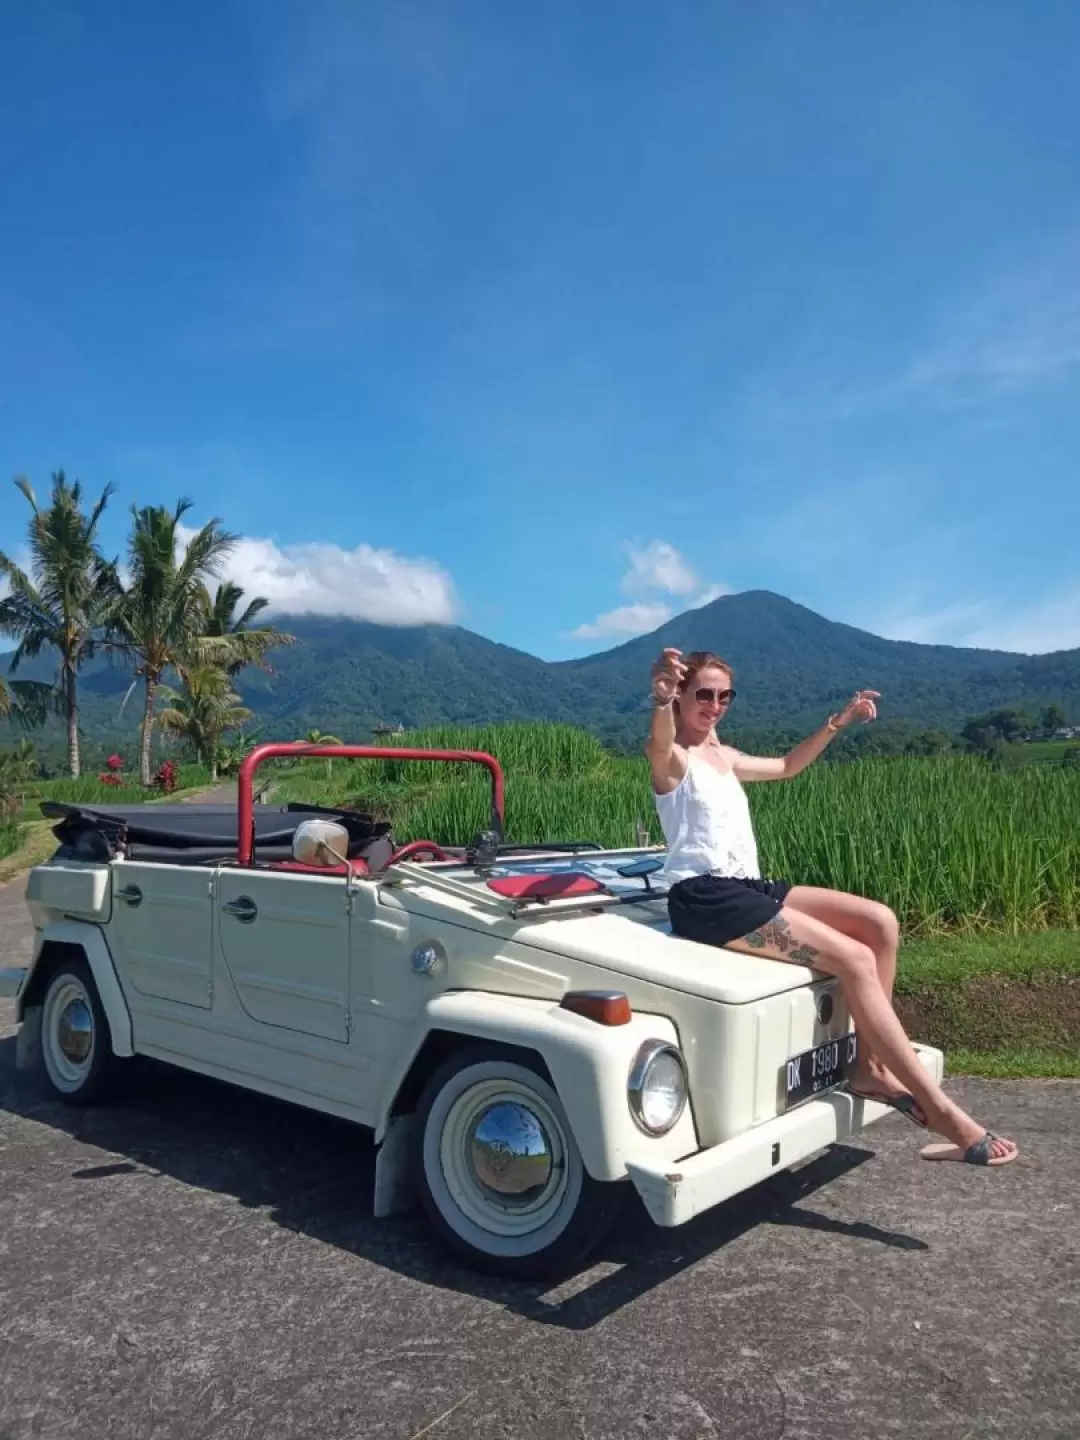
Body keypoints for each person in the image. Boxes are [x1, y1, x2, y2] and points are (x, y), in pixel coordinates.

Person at [646, 646, 1018, 1168]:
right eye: (702, 693)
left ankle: (867, 1065)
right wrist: (660, 702)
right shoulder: (676, 759)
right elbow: (658, 745)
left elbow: (786, 766)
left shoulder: (724, 757)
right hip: (705, 898)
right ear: (683, 694)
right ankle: (944, 1115)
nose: (714, 704)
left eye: (724, 695)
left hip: (747, 886)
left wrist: (836, 723)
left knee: (879, 923)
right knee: (855, 959)